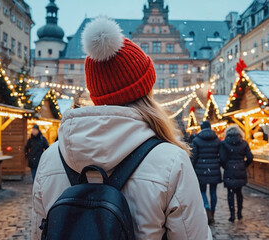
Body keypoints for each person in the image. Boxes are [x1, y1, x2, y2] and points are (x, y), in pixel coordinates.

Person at [32, 17, 211, 240]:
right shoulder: (171, 160)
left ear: (94, 93)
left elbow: (39, 234)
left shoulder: (50, 158)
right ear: (146, 90)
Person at [219, 125, 253, 223]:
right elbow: (250, 157)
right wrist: (244, 165)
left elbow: (222, 158)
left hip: (229, 169)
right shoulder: (244, 143)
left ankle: (232, 215)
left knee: (230, 193)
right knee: (239, 192)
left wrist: (226, 166)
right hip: (240, 169)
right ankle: (240, 213)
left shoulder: (224, 143)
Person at [191, 121, 222, 225]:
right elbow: (221, 156)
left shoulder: (196, 140)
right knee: (213, 192)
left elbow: (194, 156)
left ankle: (206, 208)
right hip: (214, 169)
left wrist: (193, 167)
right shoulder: (217, 140)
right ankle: (212, 213)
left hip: (201, 170)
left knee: (202, 191)